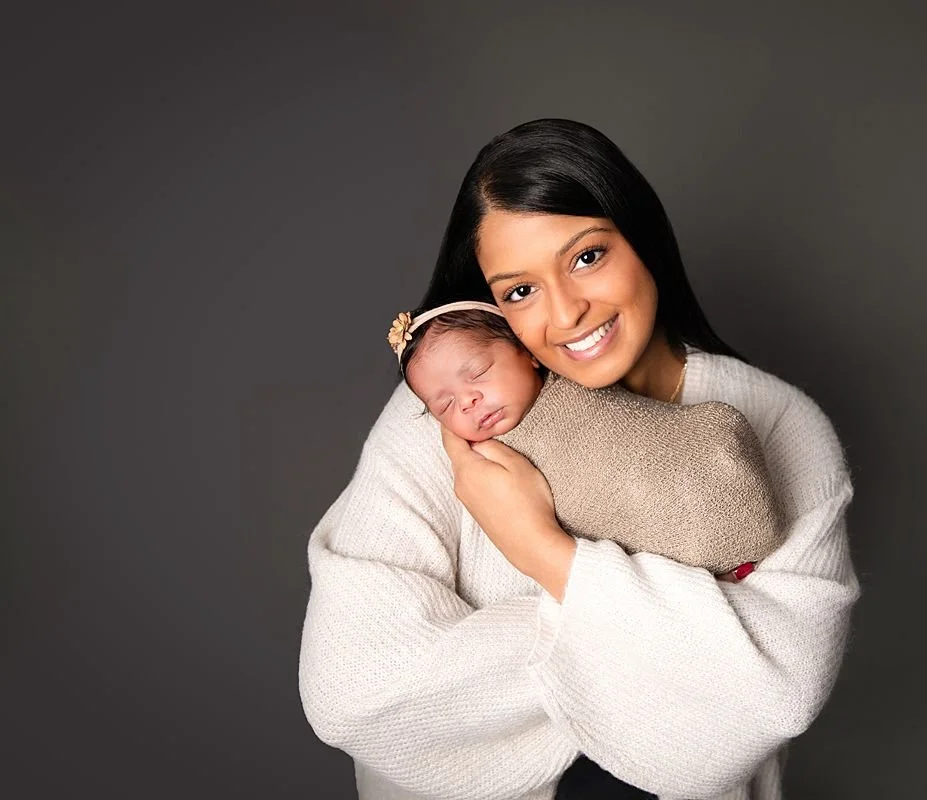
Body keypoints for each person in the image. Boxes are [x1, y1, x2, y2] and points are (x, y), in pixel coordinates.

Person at [298, 118, 859, 800]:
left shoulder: (782, 426)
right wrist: (679, 661)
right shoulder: (453, 413)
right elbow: (352, 692)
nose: (566, 313)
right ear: (493, 307)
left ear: (640, 237)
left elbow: (777, 700)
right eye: (520, 291)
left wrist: (544, 553)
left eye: (587, 256)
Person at [391, 301, 782, 576]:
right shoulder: (486, 466)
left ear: (525, 351)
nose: (468, 401)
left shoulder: (573, 368)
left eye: (477, 372)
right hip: (676, 554)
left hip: (705, 451)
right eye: (443, 405)